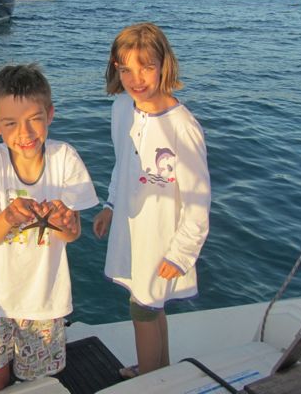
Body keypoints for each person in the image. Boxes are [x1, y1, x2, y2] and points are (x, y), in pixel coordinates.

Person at [0, 64, 98, 393]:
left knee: (37, 381)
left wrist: (64, 222)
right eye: (10, 123)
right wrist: (9, 217)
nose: (24, 133)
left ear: (50, 114)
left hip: (44, 298)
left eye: (34, 119)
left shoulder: (65, 158)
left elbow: (71, 234)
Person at [93, 23, 211, 378]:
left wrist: (181, 253)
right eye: (126, 69)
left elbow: (198, 200)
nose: (136, 79)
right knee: (150, 304)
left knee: (143, 308)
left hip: (163, 237)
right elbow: (122, 163)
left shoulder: (183, 127)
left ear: (164, 65)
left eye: (146, 67)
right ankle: (161, 370)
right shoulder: (121, 108)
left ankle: (148, 380)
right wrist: (111, 205)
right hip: (131, 227)